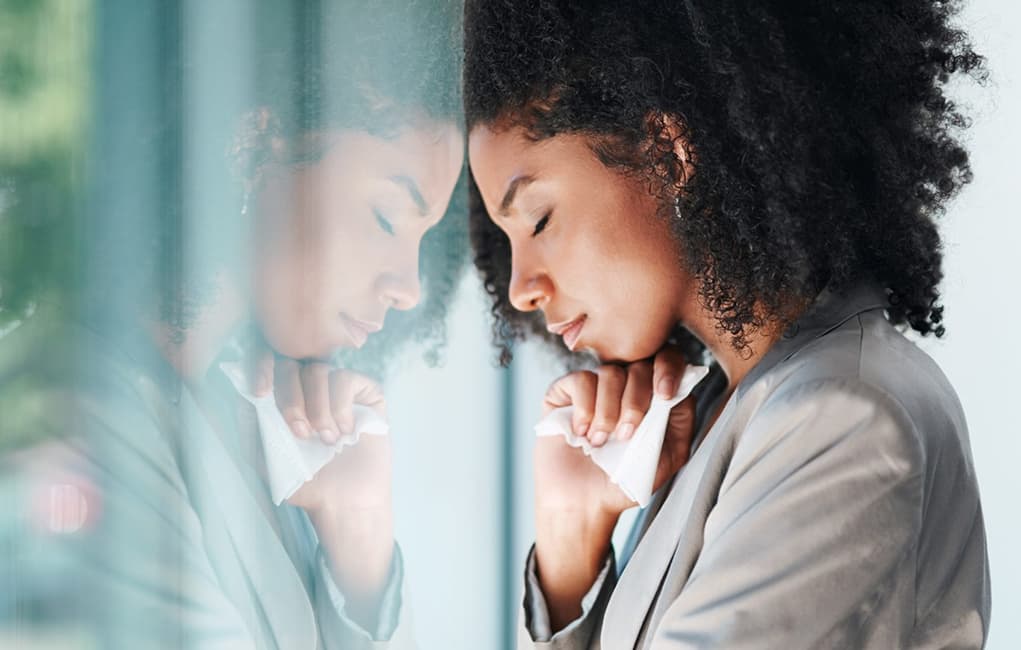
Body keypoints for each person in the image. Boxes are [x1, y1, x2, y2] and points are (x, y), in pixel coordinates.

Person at [463, 0, 991, 647]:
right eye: (505, 239)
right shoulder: (727, 405)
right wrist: (570, 536)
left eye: (538, 220)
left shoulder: (842, 418)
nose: (520, 288)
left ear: (667, 154)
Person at [0, 1, 465, 647]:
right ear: (251, 148)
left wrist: (357, 529)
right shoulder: (79, 411)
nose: (408, 287)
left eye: (424, 240)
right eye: (388, 218)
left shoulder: (249, 422)